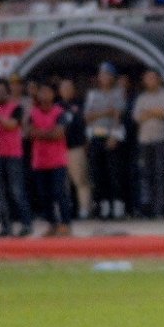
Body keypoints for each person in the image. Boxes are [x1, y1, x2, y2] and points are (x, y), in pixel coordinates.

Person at [84, 62, 127, 220]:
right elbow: (88, 116)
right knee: (98, 173)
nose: (104, 78)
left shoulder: (118, 93)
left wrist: (113, 135)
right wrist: (105, 112)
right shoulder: (93, 95)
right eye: (102, 75)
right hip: (96, 135)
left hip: (111, 135)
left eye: (108, 75)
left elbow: (117, 114)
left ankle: (117, 206)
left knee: (114, 173)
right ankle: (104, 206)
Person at [29, 79, 72, 236]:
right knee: (44, 195)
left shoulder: (60, 112)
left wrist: (40, 133)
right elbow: (29, 132)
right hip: (40, 161)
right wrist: (49, 133)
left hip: (57, 160)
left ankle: (66, 224)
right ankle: (52, 224)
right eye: (42, 91)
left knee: (60, 193)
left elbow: (59, 133)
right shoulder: (33, 112)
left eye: (48, 91)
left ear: (53, 94)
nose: (44, 94)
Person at [132, 70, 164, 218]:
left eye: (152, 78)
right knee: (146, 174)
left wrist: (148, 113)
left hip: (162, 140)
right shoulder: (142, 97)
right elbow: (137, 117)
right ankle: (147, 208)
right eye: (147, 78)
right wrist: (155, 112)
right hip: (145, 141)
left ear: (159, 79)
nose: (149, 80)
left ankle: (160, 209)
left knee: (161, 174)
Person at [0, 77, 34, 237]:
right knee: (0, 193)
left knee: (16, 190)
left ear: (7, 91)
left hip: (13, 154)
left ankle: (27, 223)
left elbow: (11, 125)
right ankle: (6, 226)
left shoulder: (16, 107)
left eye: (1, 91)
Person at [58, 78, 93, 220]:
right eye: (63, 88)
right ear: (59, 91)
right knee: (61, 183)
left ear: (74, 90)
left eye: (69, 88)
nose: (66, 91)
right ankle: (64, 210)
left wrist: (86, 143)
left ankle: (85, 208)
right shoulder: (56, 107)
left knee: (81, 180)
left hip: (76, 147)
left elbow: (87, 125)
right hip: (58, 149)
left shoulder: (81, 105)